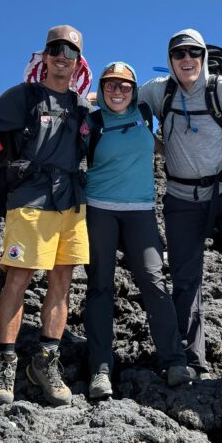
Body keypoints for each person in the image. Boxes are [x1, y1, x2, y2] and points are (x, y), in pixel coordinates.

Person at [138, 29, 222, 378]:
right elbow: (118, 101)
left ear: (203, 57)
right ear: (170, 61)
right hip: (181, 200)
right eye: (179, 54)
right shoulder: (158, 91)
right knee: (186, 278)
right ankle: (190, 360)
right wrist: (74, 94)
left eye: (194, 53)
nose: (187, 60)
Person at [0, 25, 90, 408]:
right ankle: (5, 363)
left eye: (70, 52)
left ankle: (46, 361)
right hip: (31, 199)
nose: (62, 57)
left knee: (62, 281)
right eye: (55, 49)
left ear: (77, 62)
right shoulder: (27, 95)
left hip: (71, 202)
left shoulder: (82, 106)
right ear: (46, 56)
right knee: (17, 278)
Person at [83, 62, 189, 399]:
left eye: (124, 85)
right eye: (110, 85)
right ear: (101, 89)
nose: (117, 91)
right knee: (100, 287)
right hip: (99, 210)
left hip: (141, 212)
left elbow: (177, 85)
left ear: (134, 90)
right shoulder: (92, 121)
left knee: (153, 281)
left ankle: (174, 360)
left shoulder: (145, 111)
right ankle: (100, 369)